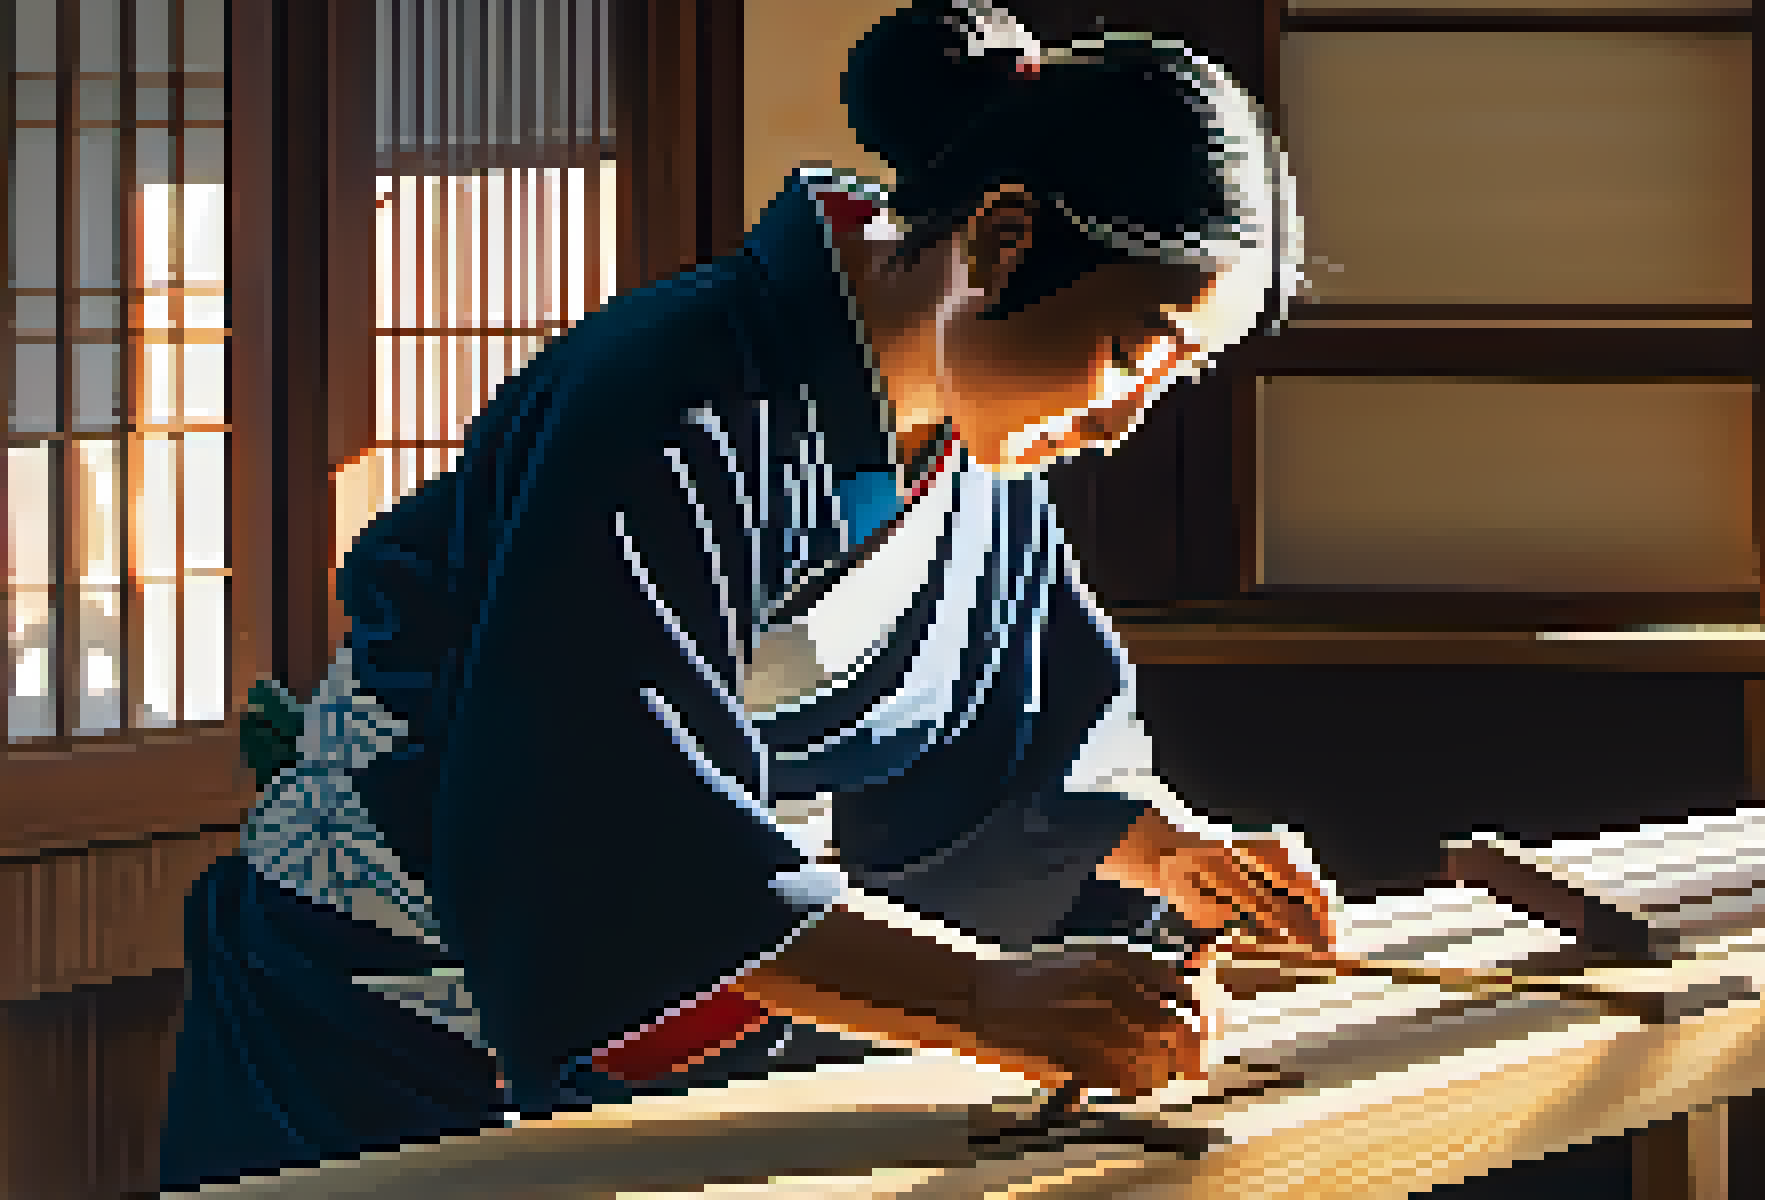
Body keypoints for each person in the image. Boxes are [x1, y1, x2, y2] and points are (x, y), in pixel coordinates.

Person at [156, 0, 1333, 1188]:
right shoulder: (666, 400)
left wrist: (1170, 848)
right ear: (1005, 241)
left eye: (1173, 380)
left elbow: (1016, 741)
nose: (1126, 425)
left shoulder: (970, 448)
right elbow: (610, 819)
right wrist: (986, 998)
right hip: (387, 1008)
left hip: (687, 1011)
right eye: (1136, 351)